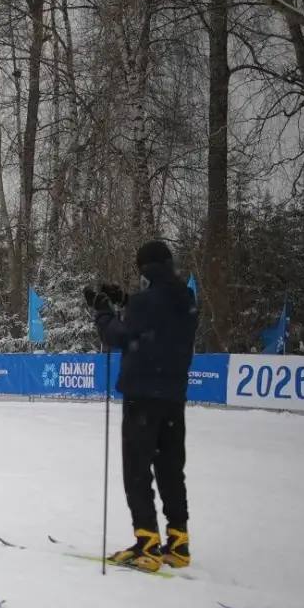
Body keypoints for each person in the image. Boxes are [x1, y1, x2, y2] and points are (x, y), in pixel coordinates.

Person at [84, 239, 199, 572]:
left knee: (137, 470)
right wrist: (125, 301)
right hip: (173, 399)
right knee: (170, 469)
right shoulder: (185, 299)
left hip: (143, 397)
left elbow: (120, 336)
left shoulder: (147, 303)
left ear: (145, 268)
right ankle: (178, 541)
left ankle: (146, 542)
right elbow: (156, 318)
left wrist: (104, 312)